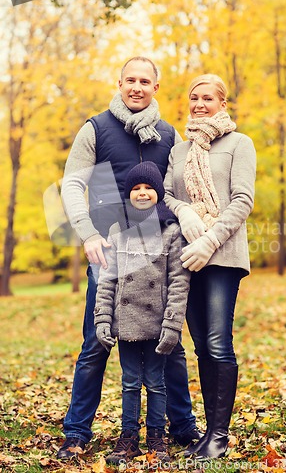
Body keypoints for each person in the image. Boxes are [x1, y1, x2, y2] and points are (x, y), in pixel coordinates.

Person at [58, 56, 200, 459]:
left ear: (156, 87)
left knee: (170, 342)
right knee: (95, 340)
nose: (136, 86)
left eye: (145, 81)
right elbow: (72, 184)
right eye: (129, 80)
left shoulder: (168, 134)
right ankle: (77, 431)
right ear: (118, 83)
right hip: (109, 251)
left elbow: (178, 191)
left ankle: (183, 426)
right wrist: (86, 233)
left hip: (159, 252)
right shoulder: (97, 128)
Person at [164, 74, 256, 459]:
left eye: (207, 98)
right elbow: (167, 194)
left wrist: (209, 240)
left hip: (222, 256)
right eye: (194, 98)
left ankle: (219, 436)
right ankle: (207, 434)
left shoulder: (239, 143)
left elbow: (242, 199)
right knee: (201, 346)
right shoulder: (179, 151)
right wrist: (183, 211)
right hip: (187, 259)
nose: (199, 104)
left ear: (222, 102)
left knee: (218, 343)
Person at [94, 161, 190, 465]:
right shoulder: (117, 231)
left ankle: (156, 438)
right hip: (126, 324)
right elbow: (107, 279)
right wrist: (102, 319)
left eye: (149, 187)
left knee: (157, 382)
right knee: (130, 381)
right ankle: (129, 439)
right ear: (128, 194)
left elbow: (178, 281)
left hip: (158, 321)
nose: (143, 193)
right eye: (136, 188)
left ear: (159, 193)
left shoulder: (171, 230)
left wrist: (173, 325)